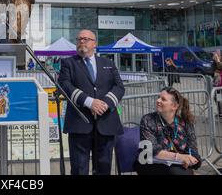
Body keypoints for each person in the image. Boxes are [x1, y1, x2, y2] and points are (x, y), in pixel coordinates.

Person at [58, 29, 125, 175]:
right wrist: (89, 102)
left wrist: (104, 104)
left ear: (95, 43)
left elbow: (119, 87)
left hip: (106, 123)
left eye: (86, 39)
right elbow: (65, 84)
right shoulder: (68, 63)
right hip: (80, 124)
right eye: (79, 38)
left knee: (104, 168)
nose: (81, 41)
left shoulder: (108, 63)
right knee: (79, 169)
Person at [135, 86, 201, 175]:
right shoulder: (148, 119)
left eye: (163, 99)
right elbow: (151, 150)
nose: (158, 100)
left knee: (182, 171)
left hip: (177, 165)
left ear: (174, 106)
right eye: (158, 97)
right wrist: (179, 157)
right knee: (178, 172)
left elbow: (193, 150)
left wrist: (190, 160)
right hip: (150, 164)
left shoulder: (185, 123)